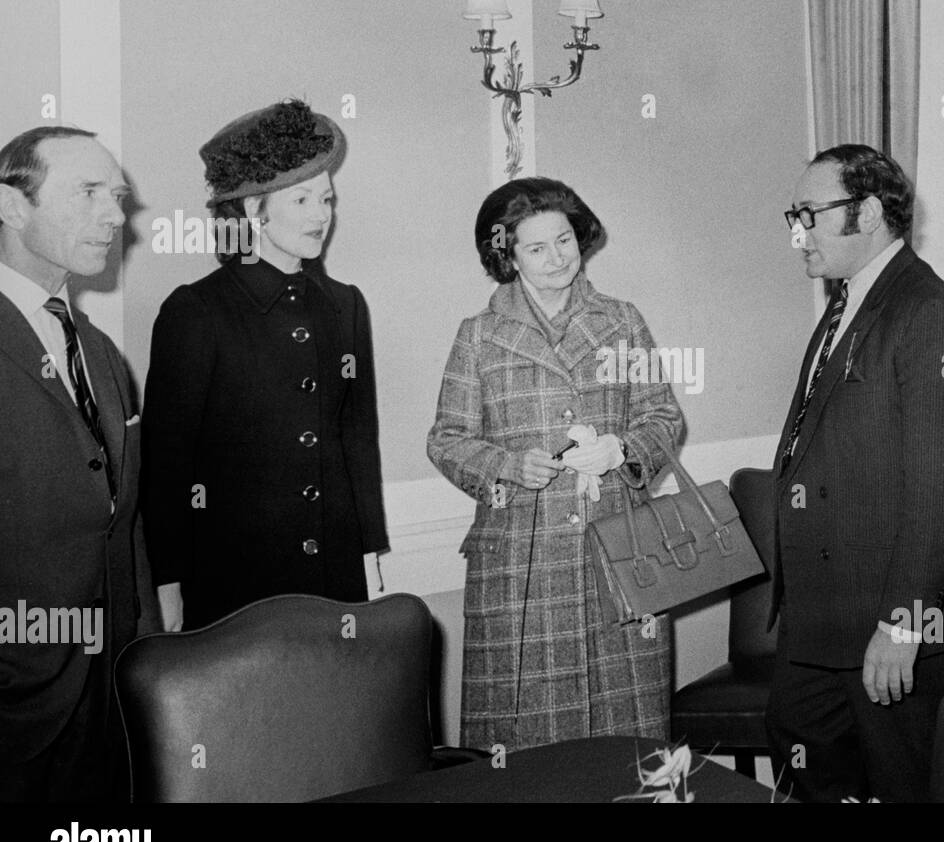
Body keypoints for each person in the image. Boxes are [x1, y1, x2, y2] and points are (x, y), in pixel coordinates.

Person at [765, 144, 944, 802]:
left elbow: (939, 495)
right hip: (823, 615)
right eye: (794, 215)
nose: (797, 233)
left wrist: (902, 625)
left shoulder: (929, 314)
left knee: (905, 782)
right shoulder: (845, 306)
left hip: (895, 620)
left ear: (866, 214)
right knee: (800, 745)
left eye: (808, 213)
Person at [428, 177, 685, 751]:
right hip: (522, 559)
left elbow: (663, 417)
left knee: (628, 735)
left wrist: (623, 448)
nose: (556, 258)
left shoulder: (622, 321)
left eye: (564, 240)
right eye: (536, 247)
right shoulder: (479, 336)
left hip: (619, 550)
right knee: (530, 746)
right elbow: (446, 439)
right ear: (507, 255)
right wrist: (508, 466)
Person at [143, 100, 387, 631]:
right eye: (302, 199)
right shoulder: (195, 311)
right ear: (254, 210)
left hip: (334, 572)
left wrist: (369, 554)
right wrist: (168, 586)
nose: (322, 215)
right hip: (235, 580)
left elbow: (357, 439)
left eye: (326, 199)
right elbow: (166, 465)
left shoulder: (345, 304)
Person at [0, 126, 159, 801]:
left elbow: (122, 520)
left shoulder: (97, 352)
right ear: (11, 205)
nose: (114, 215)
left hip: (109, 699)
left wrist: (144, 650)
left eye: (117, 196)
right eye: (88, 192)